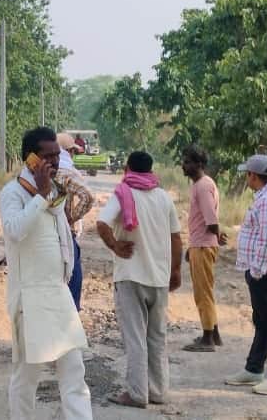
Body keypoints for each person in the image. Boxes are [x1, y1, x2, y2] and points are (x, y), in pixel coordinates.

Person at [0, 126, 94, 420]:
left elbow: (63, 236)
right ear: (30, 159)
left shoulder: (55, 191)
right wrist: (39, 196)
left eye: (57, 156)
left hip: (57, 293)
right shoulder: (12, 192)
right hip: (31, 297)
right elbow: (15, 231)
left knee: (74, 372)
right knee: (27, 378)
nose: (54, 162)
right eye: (48, 156)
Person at [96, 151, 183, 408]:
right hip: (159, 277)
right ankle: (157, 391)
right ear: (151, 170)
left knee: (135, 338)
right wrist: (176, 271)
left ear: (127, 168)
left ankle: (136, 393)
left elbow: (101, 223)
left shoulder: (123, 193)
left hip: (131, 276)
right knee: (157, 337)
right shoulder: (163, 197)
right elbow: (176, 237)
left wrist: (114, 245)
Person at [225, 154, 267, 396]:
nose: (246, 178)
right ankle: (254, 368)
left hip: (265, 271)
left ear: (253, 176)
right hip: (264, 269)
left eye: (247, 174)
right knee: (263, 320)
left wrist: (256, 270)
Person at [181, 145, 227, 352]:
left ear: (198, 164)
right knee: (205, 290)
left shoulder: (202, 186)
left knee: (203, 292)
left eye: (188, 161)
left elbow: (210, 219)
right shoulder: (201, 184)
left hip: (203, 245)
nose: (184, 165)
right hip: (199, 243)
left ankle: (207, 338)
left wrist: (217, 233)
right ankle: (213, 333)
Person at [55, 132, 95, 310]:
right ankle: (72, 312)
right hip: (63, 232)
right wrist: (73, 217)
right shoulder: (67, 171)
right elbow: (88, 197)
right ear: (68, 152)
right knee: (73, 274)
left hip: (40, 235)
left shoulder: (36, 170)